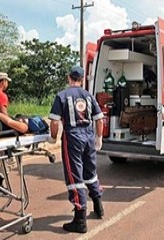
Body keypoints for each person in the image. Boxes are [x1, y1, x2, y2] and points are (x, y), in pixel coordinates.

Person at [47, 66, 105, 233]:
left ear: (68, 78)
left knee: (75, 177)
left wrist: (53, 137)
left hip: (73, 138)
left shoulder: (62, 95)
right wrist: (98, 138)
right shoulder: (88, 96)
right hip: (88, 136)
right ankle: (98, 206)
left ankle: (80, 219)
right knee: (91, 173)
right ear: (82, 79)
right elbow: (99, 119)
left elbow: (55, 121)